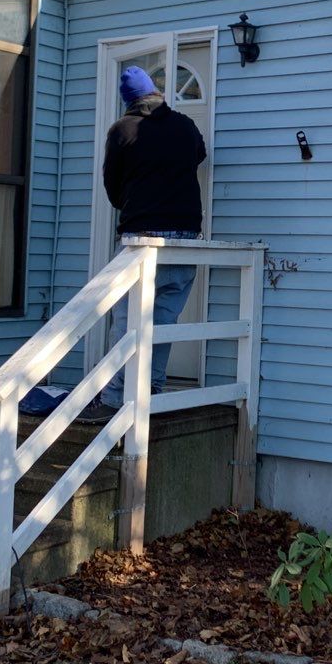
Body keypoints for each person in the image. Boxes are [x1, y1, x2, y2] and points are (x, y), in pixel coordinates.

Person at [80, 65, 206, 423]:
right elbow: (199, 155)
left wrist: (134, 200)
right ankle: (150, 389)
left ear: (129, 102)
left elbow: (112, 186)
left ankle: (115, 398)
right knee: (162, 319)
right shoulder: (185, 125)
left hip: (142, 236)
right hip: (185, 235)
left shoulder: (123, 130)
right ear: (156, 93)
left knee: (127, 319)